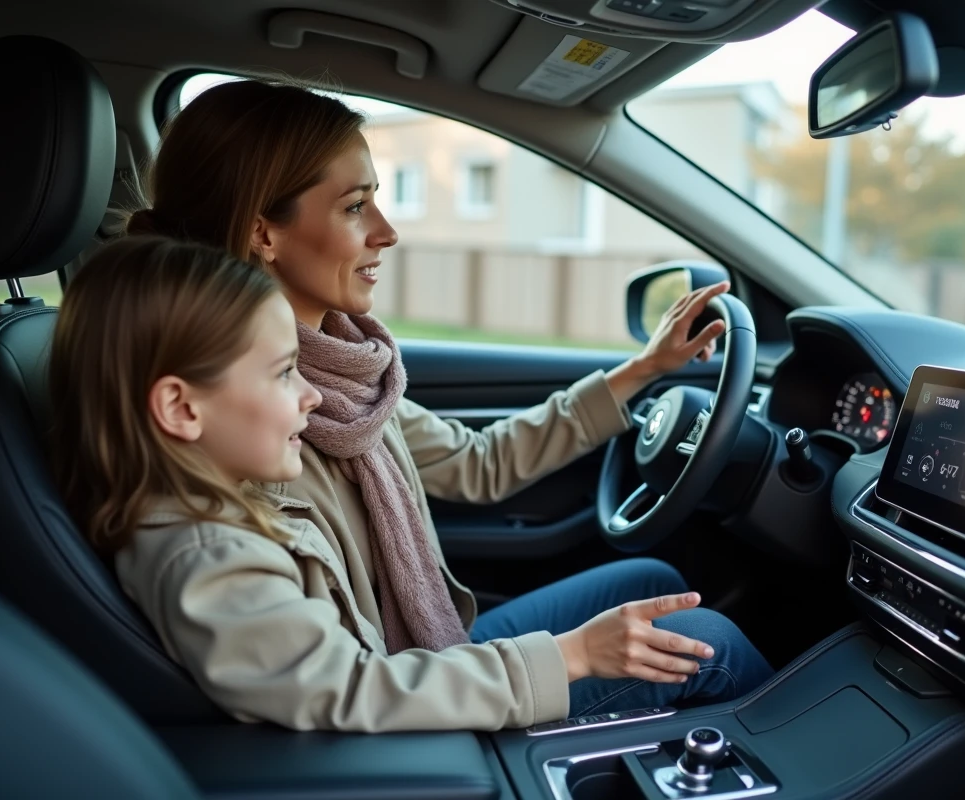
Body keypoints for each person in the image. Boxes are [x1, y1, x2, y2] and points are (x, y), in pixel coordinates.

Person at [70, 78, 773, 732]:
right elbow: (334, 684)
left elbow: (476, 463)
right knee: (702, 640)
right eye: (354, 206)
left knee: (653, 583)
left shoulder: (339, 375)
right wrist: (570, 658)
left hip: (412, 653)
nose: (387, 230)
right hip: (396, 704)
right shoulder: (228, 446)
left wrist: (641, 372)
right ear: (264, 232)